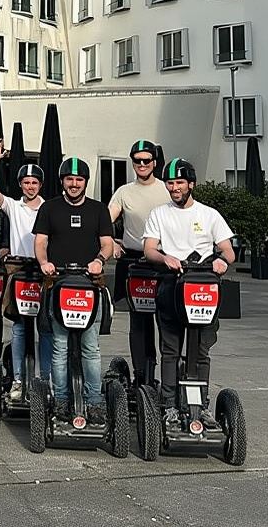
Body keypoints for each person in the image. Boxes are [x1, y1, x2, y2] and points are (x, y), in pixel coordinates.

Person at [142, 158, 236, 430]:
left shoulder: (209, 215)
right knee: (170, 350)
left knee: (201, 350)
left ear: (191, 184)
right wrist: (163, 258)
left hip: (204, 286)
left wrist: (223, 261)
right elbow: (149, 249)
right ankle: (170, 405)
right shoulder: (159, 213)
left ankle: (200, 405)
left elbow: (228, 250)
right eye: (170, 183)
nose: (174, 188)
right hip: (172, 284)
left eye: (179, 182)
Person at [33, 157, 116, 421]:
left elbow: (107, 244)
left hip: (89, 285)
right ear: (62, 181)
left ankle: (94, 402)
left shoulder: (98, 210)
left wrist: (99, 260)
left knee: (90, 347)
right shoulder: (49, 208)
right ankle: (60, 400)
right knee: (59, 347)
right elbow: (41, 241)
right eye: (69, 179)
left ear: (85, 182)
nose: (74, 184)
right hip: (59, 283)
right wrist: (44, 263)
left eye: (79, 180)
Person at [0, 139, 47, 402]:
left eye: (34, 183)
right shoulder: (13, 205)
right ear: (20, 185)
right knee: (20, 328)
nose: (30, 186)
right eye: (25, 183)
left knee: (44, 327)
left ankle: (44, 381)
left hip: (42, 269)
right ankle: (19, 380)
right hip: (18, 267)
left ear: (40, 185)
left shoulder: (49, 208)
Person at [107, 139, 170, 388]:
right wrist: (111, 242)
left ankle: (167, 377)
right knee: (139, 322)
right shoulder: (124, 191)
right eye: (137, 161)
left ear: (154, 163)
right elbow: (105, 220)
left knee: (166, 321)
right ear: (132, 163)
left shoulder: (168, 189)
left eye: (146, 160)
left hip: (165, 261)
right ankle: (141, 375)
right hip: (135, 261)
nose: (142, 164)